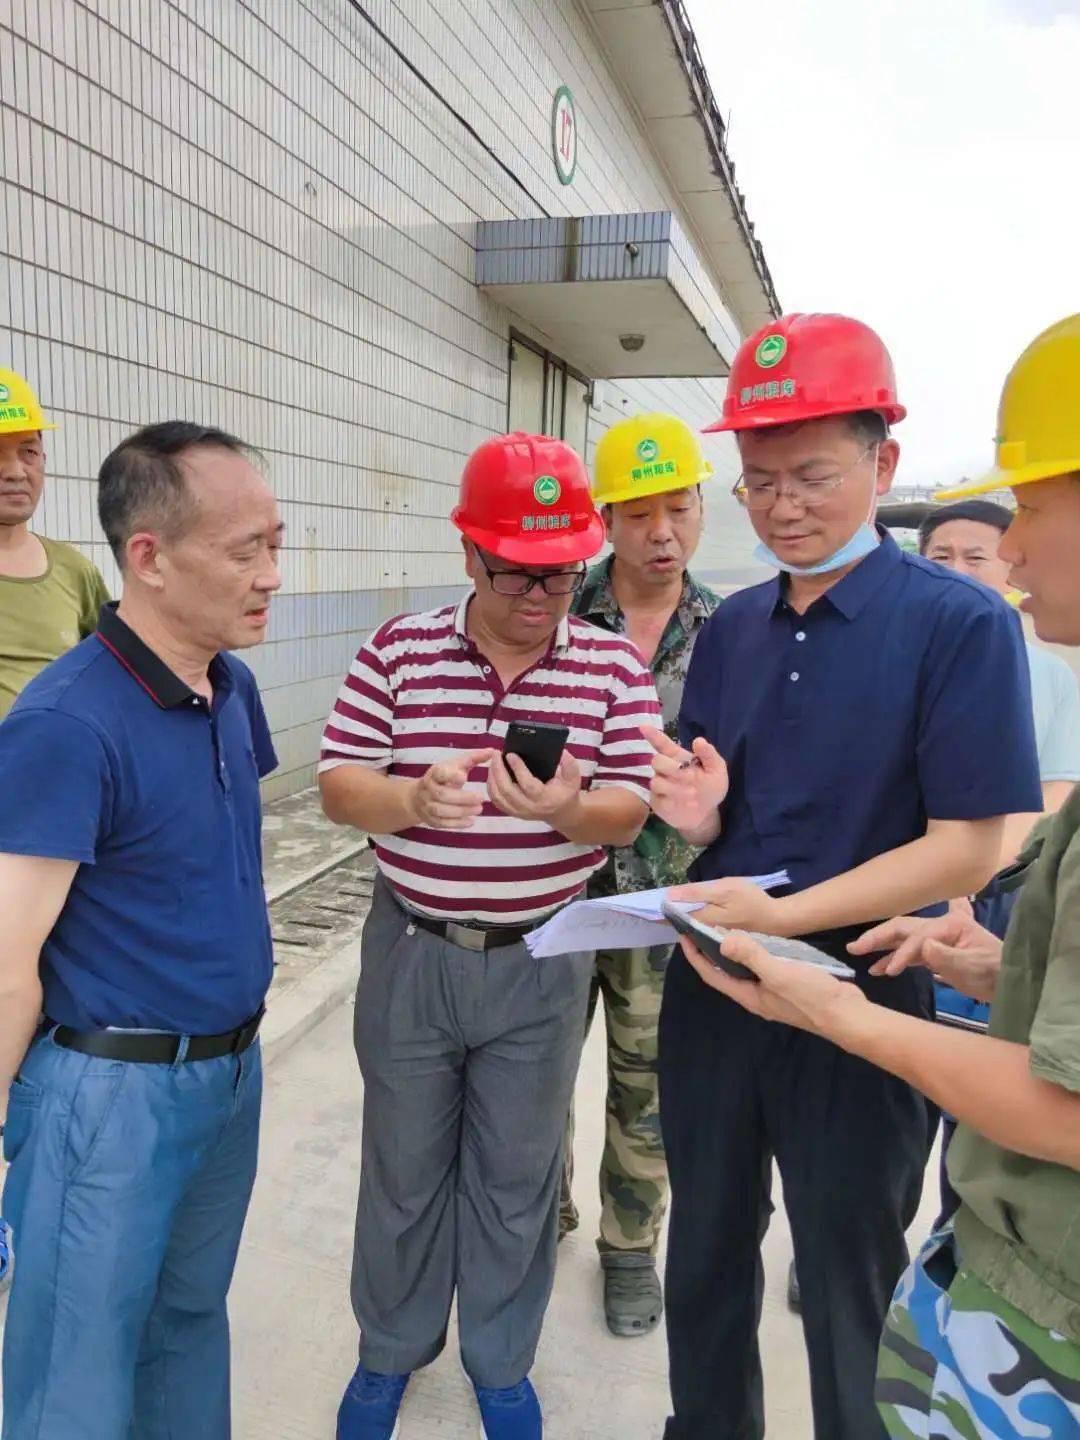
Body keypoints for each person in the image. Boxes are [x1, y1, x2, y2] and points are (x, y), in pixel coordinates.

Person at [673, 313, 1080, 1437]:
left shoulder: (956, 624)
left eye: (810, 475)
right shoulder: (735, 627)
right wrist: (696, 820)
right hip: (716, 984)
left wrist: (790, 915)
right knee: (702, 1250)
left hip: (859, 987)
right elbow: (711, 810)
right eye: (757, 482)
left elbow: (965, 842)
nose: (782, 505)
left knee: (849, 1272)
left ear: (883, 462)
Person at [319, 431, 661, 1440]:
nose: (542, 599)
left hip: (541, 959)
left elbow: (632, 809)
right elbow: (340, 785)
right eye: (519, 576)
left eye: (562, 578)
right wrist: (410, 798)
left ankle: (499, 1364)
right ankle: (390, 1352)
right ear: (469, 553)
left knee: (516, 1177)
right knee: (403, 1170)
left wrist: (567, 811)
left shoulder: (605, 666)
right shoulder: (399, 649)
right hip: (415, 950)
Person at [0, 422, 282, 1439]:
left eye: (275, 545)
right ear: (149, 558)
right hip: (107, 1098)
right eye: (245, 550)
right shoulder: (66, 722)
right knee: (74, 1367)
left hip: (227, 1075)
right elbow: (6, 962)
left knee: (188, 1324)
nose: (271, 576)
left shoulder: (232, 687)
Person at [558, 412, 720, 1338]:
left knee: (648, 1085)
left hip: (665, 899)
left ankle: (628, 1250)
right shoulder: (557, 612)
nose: (663, 531)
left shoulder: (735, 629)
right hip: (557, 886)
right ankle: (546, 1210)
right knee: (534, 1074)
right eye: (640, 512)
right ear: (607, 518)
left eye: (680, 507)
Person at [918, 497, 1080, 1227]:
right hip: (907, 902)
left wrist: (961, 871)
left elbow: (1054, 793)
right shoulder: (899, 662)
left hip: (999, 897)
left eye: (976, 555)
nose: (960, 572)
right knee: (895, 1095)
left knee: (987, 1087)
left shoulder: (1047, 672)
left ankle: (965, 1227)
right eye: (939, 558)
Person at [0, 367, 110, 719]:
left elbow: (112, 675)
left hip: (55, 771)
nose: (16, 471)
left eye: (28, 451)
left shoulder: (75, 572)